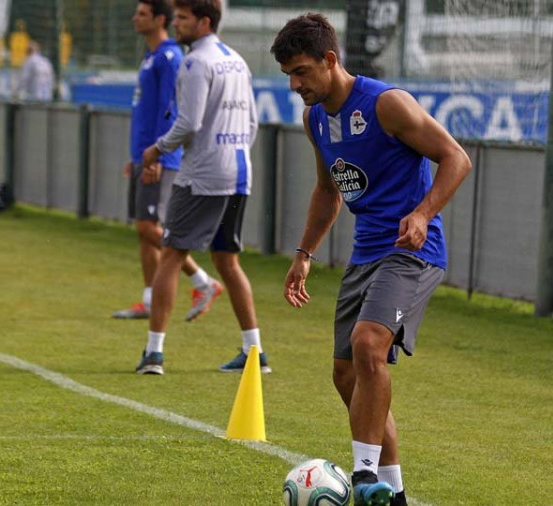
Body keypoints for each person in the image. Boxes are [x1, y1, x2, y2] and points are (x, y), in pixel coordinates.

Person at [272, 13, 470, 506]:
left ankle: (361, 477)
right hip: (365, 255)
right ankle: (394, 496)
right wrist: (304, 254)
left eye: (301, 72)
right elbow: (327, 191)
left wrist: (424, 213)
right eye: (288, 76)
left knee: (368, 344)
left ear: (330, 60)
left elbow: (456, 158)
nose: (295, 84)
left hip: (411, 253)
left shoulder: (386, 104)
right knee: (347, 375)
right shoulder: (314, 117)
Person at [136, 0, 267, 376]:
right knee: (226, 259)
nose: (176, 24)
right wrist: (231, 152)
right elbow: (253, 123)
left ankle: (154, 354)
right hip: (240, 173)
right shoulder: (237, 60)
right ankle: (255, 351)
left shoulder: (195, 62)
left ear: (204, 21)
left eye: (183, 18)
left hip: (203, 175)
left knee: (171, 254)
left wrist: (156, 149)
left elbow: (189, 123)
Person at [112, 0, 223, 322]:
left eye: (142, 14)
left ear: (160, 19)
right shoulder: (151, 56)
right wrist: (137, 156)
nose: (135, 18)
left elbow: (171, 112)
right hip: (144, 155)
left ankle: (203, 282)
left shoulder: (170, 57)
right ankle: (148, 299)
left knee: (150, 227)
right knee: (142, 229)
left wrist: (157, 156)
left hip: (160, 158)